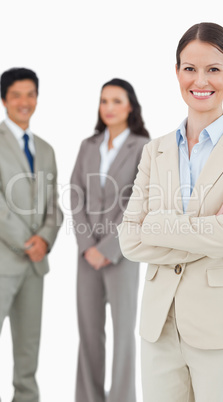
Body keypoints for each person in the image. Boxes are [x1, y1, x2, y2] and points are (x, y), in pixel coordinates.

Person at [118, 22, 223, 402]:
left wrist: (158, 224)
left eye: (213, 69)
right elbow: (129, 238)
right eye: (190, 68)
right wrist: (207, 230)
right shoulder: (156, 150)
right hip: (159, 331)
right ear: (177, 72)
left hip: (221, 331)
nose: (200, 80)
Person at [70, 78, 150, 402]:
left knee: (123, 335)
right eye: (104, 101)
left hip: (122, 254)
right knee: (89, 334)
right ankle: (88, 398)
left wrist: (108, 249)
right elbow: (75, 194)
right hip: (87, 256)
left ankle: (121, 398)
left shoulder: (143, 145)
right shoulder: (89, 146)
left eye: (117, 101)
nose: (109, 108)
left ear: (130, 105)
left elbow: (139, 202)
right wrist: (88, 246)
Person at [0, 68, 63, 402]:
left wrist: (45, 239)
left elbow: (55, 204)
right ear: (4, 99)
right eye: (16, 95)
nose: (24, 102)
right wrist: (26, 242)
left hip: (35, 265)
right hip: (3, 260)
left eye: (30, 94)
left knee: (28, 353)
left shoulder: (45, 149)